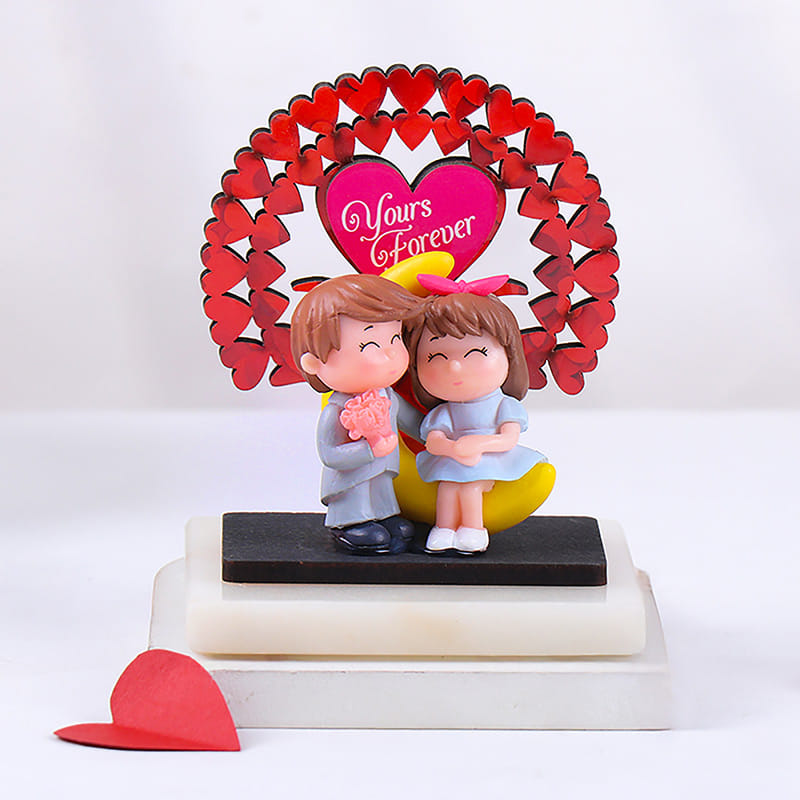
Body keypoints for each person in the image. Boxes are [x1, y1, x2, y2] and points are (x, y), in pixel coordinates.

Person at [405, 274, 547, 554]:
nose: (455, 368)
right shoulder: (446, 411)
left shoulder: (502, 406)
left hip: (489, 462)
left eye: (476, 353)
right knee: (447, 489)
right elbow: (433, 440)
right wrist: (451, 447)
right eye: (436, 357)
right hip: (452, 462)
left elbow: (508, 438)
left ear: (508, 355)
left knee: (470, 489)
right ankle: (444, 529)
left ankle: (473, 529)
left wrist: (478, 444)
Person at [290, 274, 422, 554]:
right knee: (358, 496)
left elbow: (411, 421)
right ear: (314, 363)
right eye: (370, 345)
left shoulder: (387, 396)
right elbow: (330, 454)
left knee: (382, 494)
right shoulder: (336, 411)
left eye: (395, 338)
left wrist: (434, 432)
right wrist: (369, 449)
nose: (390, 354)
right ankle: (350, 524)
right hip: (350, 478)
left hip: (384, 470)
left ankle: (384, 517)